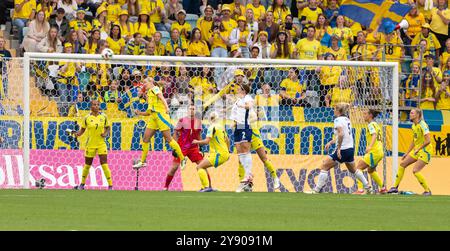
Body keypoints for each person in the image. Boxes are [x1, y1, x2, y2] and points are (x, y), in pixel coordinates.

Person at [306, 103, 372, 194]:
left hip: (343, 149)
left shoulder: (337, 120)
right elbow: (342, 134)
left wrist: (338, 148)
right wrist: (331, 142)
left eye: (334, 109)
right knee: (353, 170)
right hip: (350, 148)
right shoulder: (347, 119)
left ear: (338, 111)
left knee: (324, 165)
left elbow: (341, 133)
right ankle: (368, 187)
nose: (333, 111)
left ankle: (317, 190)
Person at [132, 77, 187, 169]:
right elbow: (149, 112)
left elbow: (162, 98)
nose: (144, 84)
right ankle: (142, 161)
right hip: (153, 118)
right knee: (145, 138)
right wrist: (139, 113)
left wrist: (166, 108)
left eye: (145, 82)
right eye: (143, 83)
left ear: (151, 82)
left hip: (161, 116)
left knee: (168, 139)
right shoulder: (149, 93)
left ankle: (182, 158)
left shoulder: (155, 89)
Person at [387, 108, 433, 196]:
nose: (410, 114)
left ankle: (427, 190)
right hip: (417, 150)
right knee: (403, 164)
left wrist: (418, 149)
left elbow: (428, 141)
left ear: (417, 115)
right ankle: (395, 187)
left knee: (415, 170)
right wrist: (407, 152)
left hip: (425, 151)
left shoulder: (423, 125)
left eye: (412, 113)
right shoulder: (414, 125)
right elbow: (414, 140)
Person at [163, 105, 207, 191]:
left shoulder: (198, 121)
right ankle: (165, 187)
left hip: (193, 148)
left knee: (203, 165)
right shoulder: (182, 120)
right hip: (182, 148)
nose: (192, 110)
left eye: (193, 109)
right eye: (190, 109)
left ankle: (208, 187)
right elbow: (175, 133)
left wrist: (201, 147)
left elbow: (198, 134)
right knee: (174, 168)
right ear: (187, 110)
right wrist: (174, 147)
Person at [72, 99, 113, 190]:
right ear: (91, 106)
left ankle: (110, 185)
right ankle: (82, 184)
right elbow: (82, 130)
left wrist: (106, 133)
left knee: (104, 163)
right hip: (90, 144)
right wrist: (77, 134)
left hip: (101, 144)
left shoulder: (104, 116)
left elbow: (108, 128)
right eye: (94, 105)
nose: (96, 106)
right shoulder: (87, 118)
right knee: (87, 164)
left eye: (97, 105)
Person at [191, 111, 230, 192]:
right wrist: (228, 152)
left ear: (210, 119)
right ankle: (206, 187)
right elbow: (227, 140)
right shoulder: (221, 127)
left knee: (199, 167)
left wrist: (196, 142)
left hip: (218, 154)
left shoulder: (212, 127)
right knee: (202, 166)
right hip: (223, 153)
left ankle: (206, 187)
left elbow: (206, 141)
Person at [354, 109, 387, 195]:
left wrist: (370, 146)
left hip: (374, 151)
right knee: (371, 171)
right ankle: (383, 188)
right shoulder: (376, 124)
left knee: (358, 168)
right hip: (380, 151)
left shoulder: (371, 125)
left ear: (370, 115)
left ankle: (360, 189)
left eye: (365, 114)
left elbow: (374, 135)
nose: (363, 115)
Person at [231, 84, 255, 193]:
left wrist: (241, 105)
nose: (237, 90)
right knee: (239, 151)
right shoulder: (238, 100)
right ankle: (248, 174)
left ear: (243, 90)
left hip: (245, 125)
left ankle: (248, 174)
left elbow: (249, 106)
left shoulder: (247, 98)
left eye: (239, 88)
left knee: (245, 149)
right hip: (238, 126)